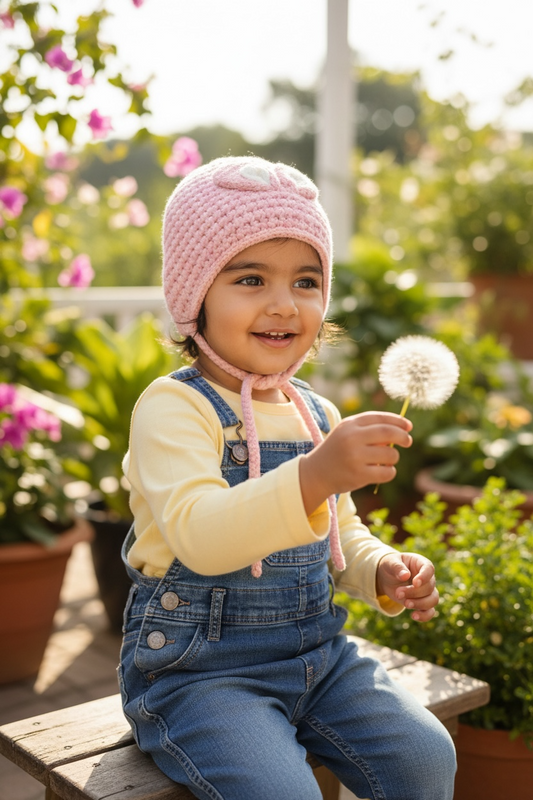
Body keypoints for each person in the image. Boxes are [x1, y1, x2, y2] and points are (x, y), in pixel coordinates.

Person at [118, 156, 456, 800]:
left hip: (320, 656)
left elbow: (341, 534)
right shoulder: (174, 407)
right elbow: (202, 538)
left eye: (306, 280)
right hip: (197, 675)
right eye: (250, 278)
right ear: (195, 296)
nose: (283, 303)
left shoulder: (315, 412)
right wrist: (313, 474)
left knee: (425, 758)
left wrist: (381, 568)